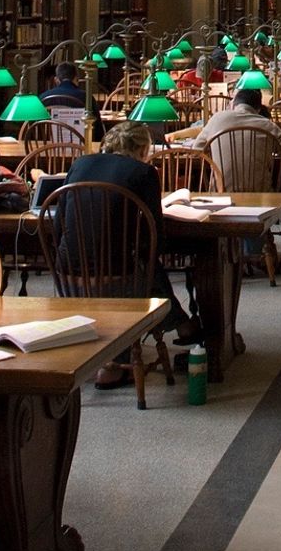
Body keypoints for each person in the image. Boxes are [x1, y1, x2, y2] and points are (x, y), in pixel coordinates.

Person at [58, 120, 199, 388]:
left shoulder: (80, 164)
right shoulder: (143, 172)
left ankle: (179, 324)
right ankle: (116, 362)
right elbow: (153, 230)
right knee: (146, 264)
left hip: (69, 272)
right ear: (143, 148)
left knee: (142, 261)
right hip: (118, 273)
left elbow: (58, 225)